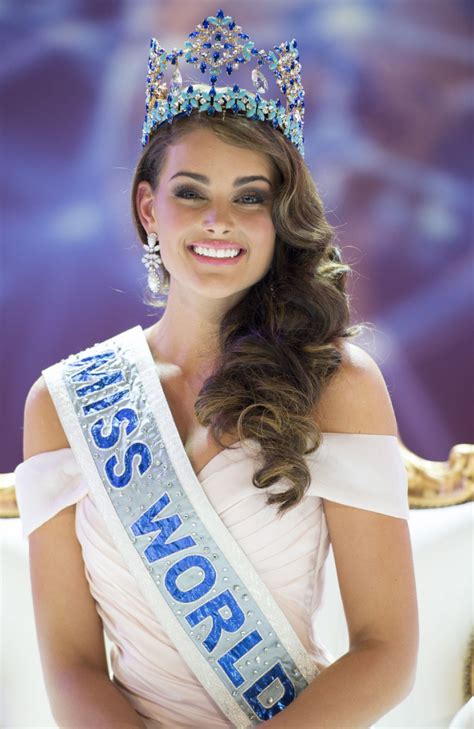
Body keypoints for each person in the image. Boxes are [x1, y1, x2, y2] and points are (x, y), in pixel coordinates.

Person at [14, 9, 419, 729]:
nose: (218, 220)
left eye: (250, 197)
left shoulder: (337, 386)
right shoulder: (65, 400)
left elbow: (387, 651)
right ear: (148, 207)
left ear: (279, 216)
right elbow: (72, 664)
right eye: (191, 191)